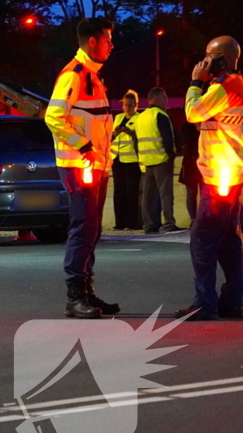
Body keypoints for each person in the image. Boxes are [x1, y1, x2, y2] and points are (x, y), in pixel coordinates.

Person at [44, 17, 119, 318]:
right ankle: (75, 296)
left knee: (91, 229)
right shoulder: (74, 76)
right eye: (107, 40)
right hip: (80, 165)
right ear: (92, 42)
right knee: (83, 228)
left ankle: (85, 292)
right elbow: (53, 117)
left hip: (94, 165)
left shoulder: (92, 76)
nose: (112, 45)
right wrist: (84, 146)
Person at [176, 36, 243, 321]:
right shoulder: (235, 84)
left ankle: (205, 302)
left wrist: (195, 82)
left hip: (220, 177)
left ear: (223, 59)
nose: (204, 62)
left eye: (209, 57)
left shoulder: (225, 85)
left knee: (202, 238)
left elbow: (193, 113)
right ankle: (234, 299)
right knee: (228, 240)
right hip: (231, 174)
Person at [137, 87, 181, 234]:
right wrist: (172, 154)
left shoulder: (140, 117)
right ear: (156, 98)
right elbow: (168, 139)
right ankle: (169, 223)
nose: (167, 101)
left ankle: (149, 225)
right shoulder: (160, 115)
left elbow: (136, 141)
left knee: (148, 196)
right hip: (162, 160)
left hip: (146, 162)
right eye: (164, 97)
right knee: (165, 194)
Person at [111, 90, 142, 230]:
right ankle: (119, 222)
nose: (126, 108)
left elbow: (141, 137)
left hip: (132, 159)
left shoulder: (139, 118)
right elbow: (111, 136)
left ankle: (131, 223)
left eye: (129, 105)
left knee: (131, 192)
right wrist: (115, 133)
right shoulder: (118, 118)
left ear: (136, 105)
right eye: (124, 105)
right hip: (117, 158)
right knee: (119, 191)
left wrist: (130, 133)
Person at [178, 120, 202, 221]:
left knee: (202, 194)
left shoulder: (187, 126)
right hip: (191, 163)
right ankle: (195, 220)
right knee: (192, 193)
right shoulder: (188, 127)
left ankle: (200, 219)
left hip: (197, 163)